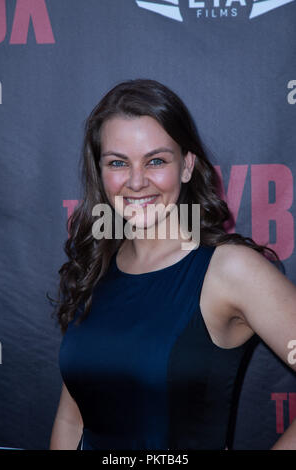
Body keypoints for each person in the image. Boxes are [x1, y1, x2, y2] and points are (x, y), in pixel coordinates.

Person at [49, 78, 296, 450]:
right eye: (118, 162)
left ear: (186, 166)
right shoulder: (94, 268)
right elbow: (72, 418)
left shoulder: (230, 270)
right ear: (100, 172)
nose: (136, 181)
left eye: (156, 161)